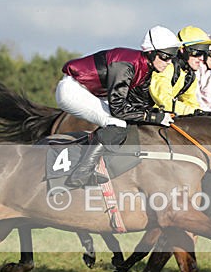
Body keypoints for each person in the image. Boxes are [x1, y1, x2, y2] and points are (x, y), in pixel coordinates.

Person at [57, 26, 181, 188]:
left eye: (172, 57)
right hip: (72, 90)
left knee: (123, 123)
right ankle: (82, 173)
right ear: (151, 52)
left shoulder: (146, 70)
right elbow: (118, 109)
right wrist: (154, 118)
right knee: (117, 123)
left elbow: (138, 106)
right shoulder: (126, 64)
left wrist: (159, 115)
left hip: (88, 92)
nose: (168, 62)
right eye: (165, 57)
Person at [149, 25, 211, 116]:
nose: (202, 59)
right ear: (183, 50)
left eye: (205, 54)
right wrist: (193, 112)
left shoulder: (190, 75)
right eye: (197, 53)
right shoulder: (166, 67)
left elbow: (191, 103)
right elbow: (163, 100)